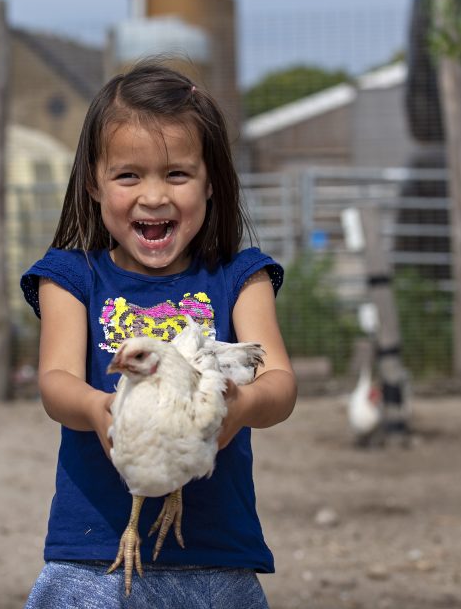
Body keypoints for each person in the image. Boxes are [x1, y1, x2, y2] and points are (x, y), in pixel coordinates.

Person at [20, 59, 297, 608]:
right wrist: (101, 410)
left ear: (210, 181)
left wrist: (239, 407)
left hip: (213, 554)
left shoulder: (240, 278)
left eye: (176, 174)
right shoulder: (72, 277)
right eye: (129, 175)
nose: (154, 196)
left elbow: (281, 383)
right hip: (92, 554)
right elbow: (54, 381)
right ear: (94, 184)